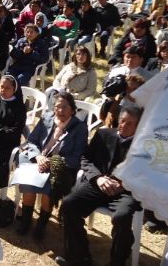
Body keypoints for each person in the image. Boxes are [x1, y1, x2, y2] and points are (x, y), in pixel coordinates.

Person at [56, 106, 144, 266]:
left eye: (130, 124)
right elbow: (86, 158)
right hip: (99, 185)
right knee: (69, 204)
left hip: (125, 191)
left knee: (122, 216)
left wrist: (125, 184)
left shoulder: (143, 146)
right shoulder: (104, 134)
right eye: (122, 121)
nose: (124, 125)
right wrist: (97, 178)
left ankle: (117, 262)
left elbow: (147, 175)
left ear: (138, 127)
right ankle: (79, 257)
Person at [16, 92, 88, 239]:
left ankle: (41, 225)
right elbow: (32, 141)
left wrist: (53, 162)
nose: (60, 110)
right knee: (29, 184)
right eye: (57, 107)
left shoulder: (79, 128)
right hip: (39, 159)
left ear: (72, 110)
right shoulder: (46, 118)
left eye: (65, 107)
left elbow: (77, 157)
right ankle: (26, 220)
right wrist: (38, 157)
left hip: (61, 167)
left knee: (48, 189)